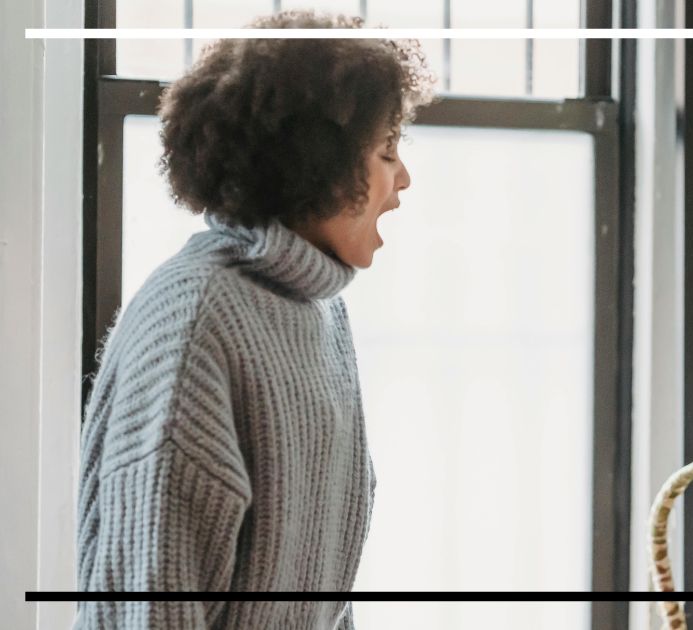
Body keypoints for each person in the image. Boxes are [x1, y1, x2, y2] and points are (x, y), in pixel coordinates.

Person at [75, 11, 436, 629]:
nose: (402, 179)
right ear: (317, 164)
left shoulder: (321, 312)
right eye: (385, 150)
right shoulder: (192, 327)